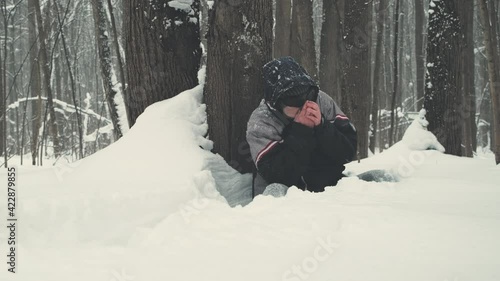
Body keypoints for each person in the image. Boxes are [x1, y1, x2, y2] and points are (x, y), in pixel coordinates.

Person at [246, 57, 357, 197]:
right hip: (284, 196)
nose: (305, 108)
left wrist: (323, 127)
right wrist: (301, 131)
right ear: (278, 103)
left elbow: (348, 153)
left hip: (327, 190)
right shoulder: (261, 122)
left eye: (307, 100)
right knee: (274, 190)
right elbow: (275, 175)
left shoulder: (322, 101)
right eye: (296, 106)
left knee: (377, 180)